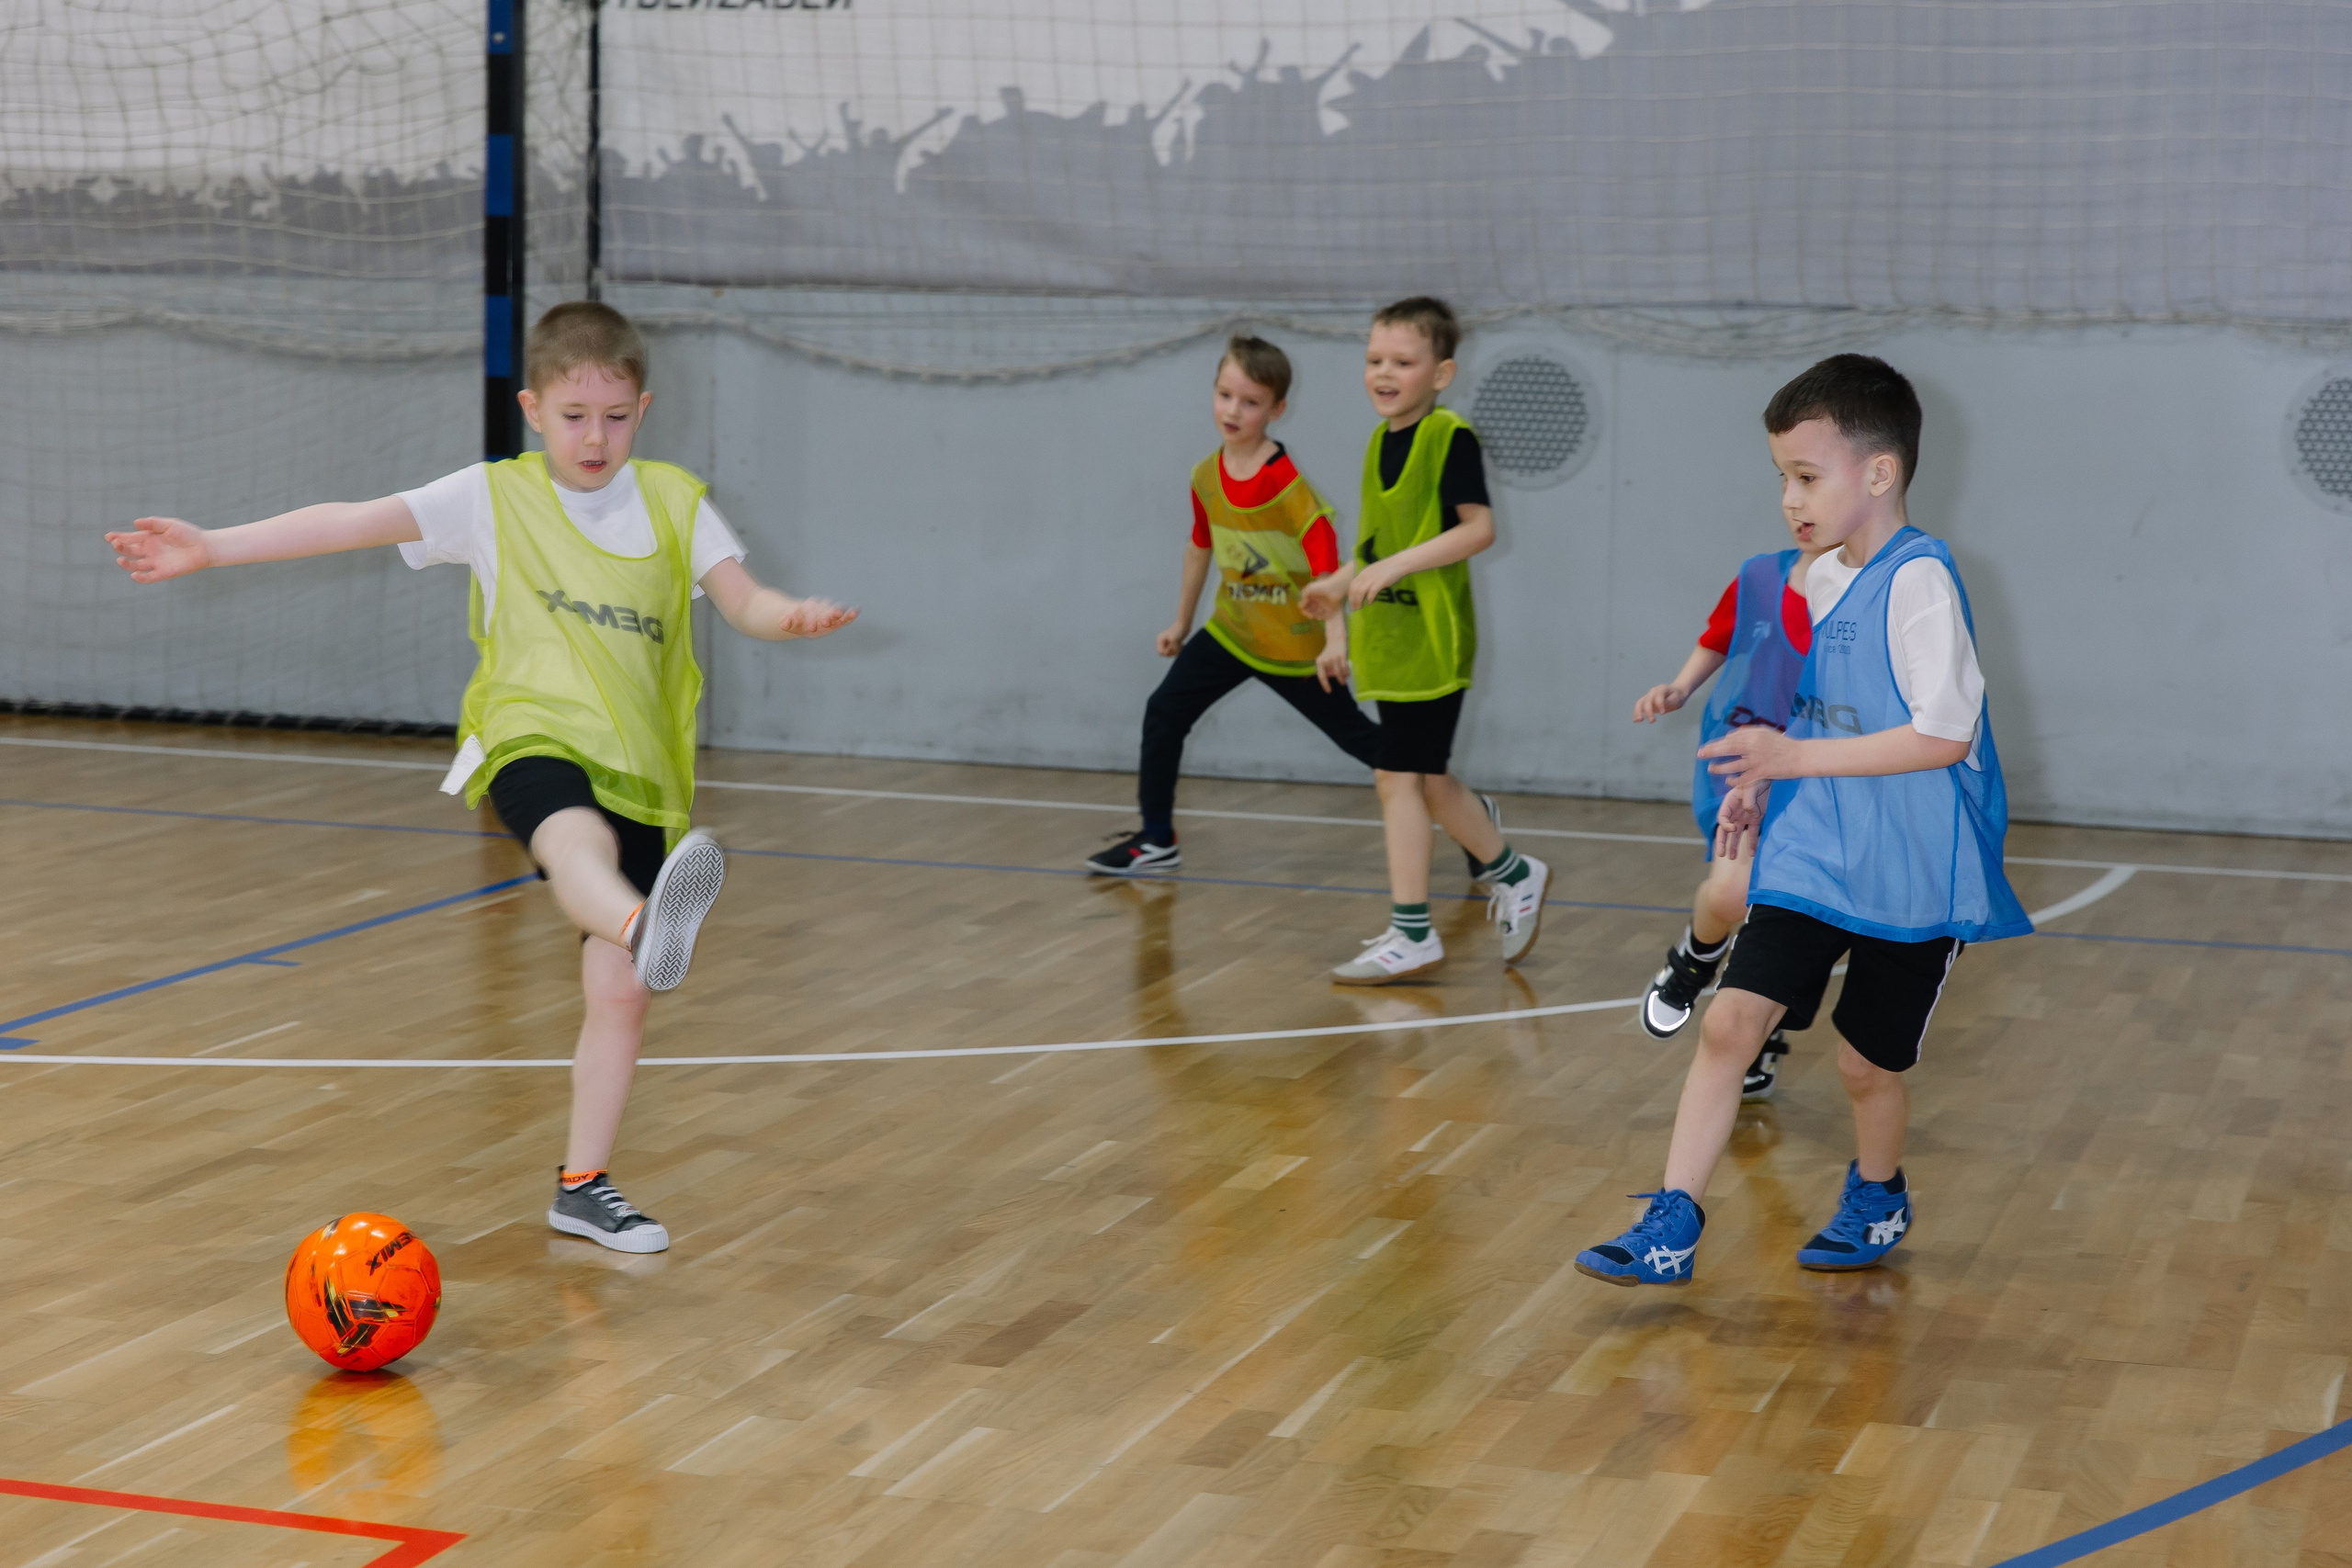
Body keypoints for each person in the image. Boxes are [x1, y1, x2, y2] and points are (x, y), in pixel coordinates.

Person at [104, 300, 857, 1255]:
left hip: (644, 768)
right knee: (574, 845)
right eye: (573, 416)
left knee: (620, 997)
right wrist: (215, 545)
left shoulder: (673, 501)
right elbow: (353, 521)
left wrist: (791, 618)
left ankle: (583, 1186)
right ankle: (642, 925)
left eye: (614, 416)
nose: (595, 438)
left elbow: (744, 602)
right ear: (533, 410)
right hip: (527, 735)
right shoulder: (491, 497)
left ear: (643, 409)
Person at [1575, 354, 2030, 1286]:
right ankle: (1670, 1223)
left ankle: (1878, 1193)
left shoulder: (1920, 582)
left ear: (1879, 472)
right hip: (1814, 848)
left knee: (1866, 1069)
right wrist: (1758, 775)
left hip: (1912, 868)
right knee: (1730, 1024)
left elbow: (1943, 735)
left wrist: (1792, 760)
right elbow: (1793, 708)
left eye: (1807, 476)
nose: (1789, 498)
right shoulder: (1814, 580)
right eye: (1782, 476)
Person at [1300, 298, 1544, 985]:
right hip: (1393, 641)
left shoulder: (1449, 436)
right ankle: (1514, 874)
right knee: (1429, 781)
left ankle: (1414, 931)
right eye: (1374, 359)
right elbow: (1377, 547)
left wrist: (1396, 566)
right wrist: (1338, 586)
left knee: (1397, 777)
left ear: (1440, 374)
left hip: (1435, 640)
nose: (1384, 372)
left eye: (1402, 362)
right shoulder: (1378, 442)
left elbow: (1478, 529)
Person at [1087, 336, 1387, 876]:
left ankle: (1465, 813)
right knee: (1164, 713)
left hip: (1294, 644)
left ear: (1277, 410)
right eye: (1225, 395)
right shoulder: (1206, 475)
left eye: (1250, 402)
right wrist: (1182, 621)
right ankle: (1156, 839)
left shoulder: (1287, 485)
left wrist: (1335, 641)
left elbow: (1328, 570)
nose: (1233, 410)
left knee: (1367, 744)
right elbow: (1199, 546)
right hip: (1232, 632)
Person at [1630, 534, 1831, 1101]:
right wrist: (1680, 686)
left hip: (1821, 767)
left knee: (1792, 912)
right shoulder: (1759, 576)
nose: (1797, 503)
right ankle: (1694, 960)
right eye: (1788, 489)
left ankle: (1758, 1027)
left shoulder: (1874, 591)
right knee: (1732, 893)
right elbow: (1719, 637)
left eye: (1811, 488)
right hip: (1742, 759)